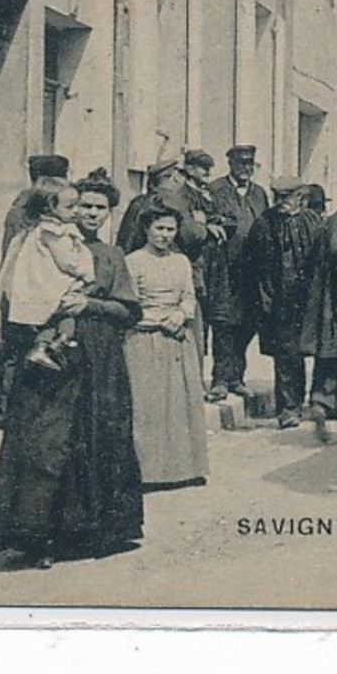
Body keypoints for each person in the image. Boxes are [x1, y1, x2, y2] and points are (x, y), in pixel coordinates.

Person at [0, 169, 144, 568]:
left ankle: (86, 532)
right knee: (43, 442)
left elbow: (129, 310)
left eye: (99, 208)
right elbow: (15, 296)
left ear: (109, 213)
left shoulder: (110, 256)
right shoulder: (38, 243)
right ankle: (34, 535)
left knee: (93, 440)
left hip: (98, 361)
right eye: (84, 205)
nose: (90, 213)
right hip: (50, 362)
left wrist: (90, 305)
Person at [123, 206, 209, 488]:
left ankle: (183, 470)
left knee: (179, 404)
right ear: (146, 229)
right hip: (144, 338)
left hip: (176, 337)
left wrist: (181, 314)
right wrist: (155, 319)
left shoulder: (181, 261)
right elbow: (130, 303)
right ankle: (148, 473)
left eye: (170, 229)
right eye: (159, 228)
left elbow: (189, 296)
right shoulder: (133, 261)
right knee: (148, 405)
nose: (164, 235)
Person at [0, 154, 72, 414]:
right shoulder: (36, 205)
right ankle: (12, 409)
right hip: (28, 284)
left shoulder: (20, 204)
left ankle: (11, 406)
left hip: (20, 283)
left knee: (17, 345)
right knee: (20, 348)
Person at [240, 176, 325, 428]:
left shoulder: (313, 222)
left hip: (310, 299)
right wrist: (263, 299)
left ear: (301, 197)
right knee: (286, 355)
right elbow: (252, 265)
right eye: (277, 197)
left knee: (320, 350)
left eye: (286, 198)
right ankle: (289, 408)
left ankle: (320, 402)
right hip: (279, 300)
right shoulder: (264, 223)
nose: (280, 203)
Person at [0, 178, 93, 374]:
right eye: (70, 206)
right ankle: (57, 343)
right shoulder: (55, 232)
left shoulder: (39, 229)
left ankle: (43, 347)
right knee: (63, 311)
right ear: (50, 209)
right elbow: (66, 261)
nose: (77, 211)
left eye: (77, 204)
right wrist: (84, 272)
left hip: (42, 278)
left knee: (51, 317)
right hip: (50, 280)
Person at [205, 146, 270, 402]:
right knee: (223, 322)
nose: (246, 167)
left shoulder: (259, 193)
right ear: (230, 162)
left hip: (251, 272)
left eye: (250, 163)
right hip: (224, 268)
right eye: (241, 162)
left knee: (247, 323)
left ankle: (237, 378)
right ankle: (220, 379)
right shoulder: (216, 190)